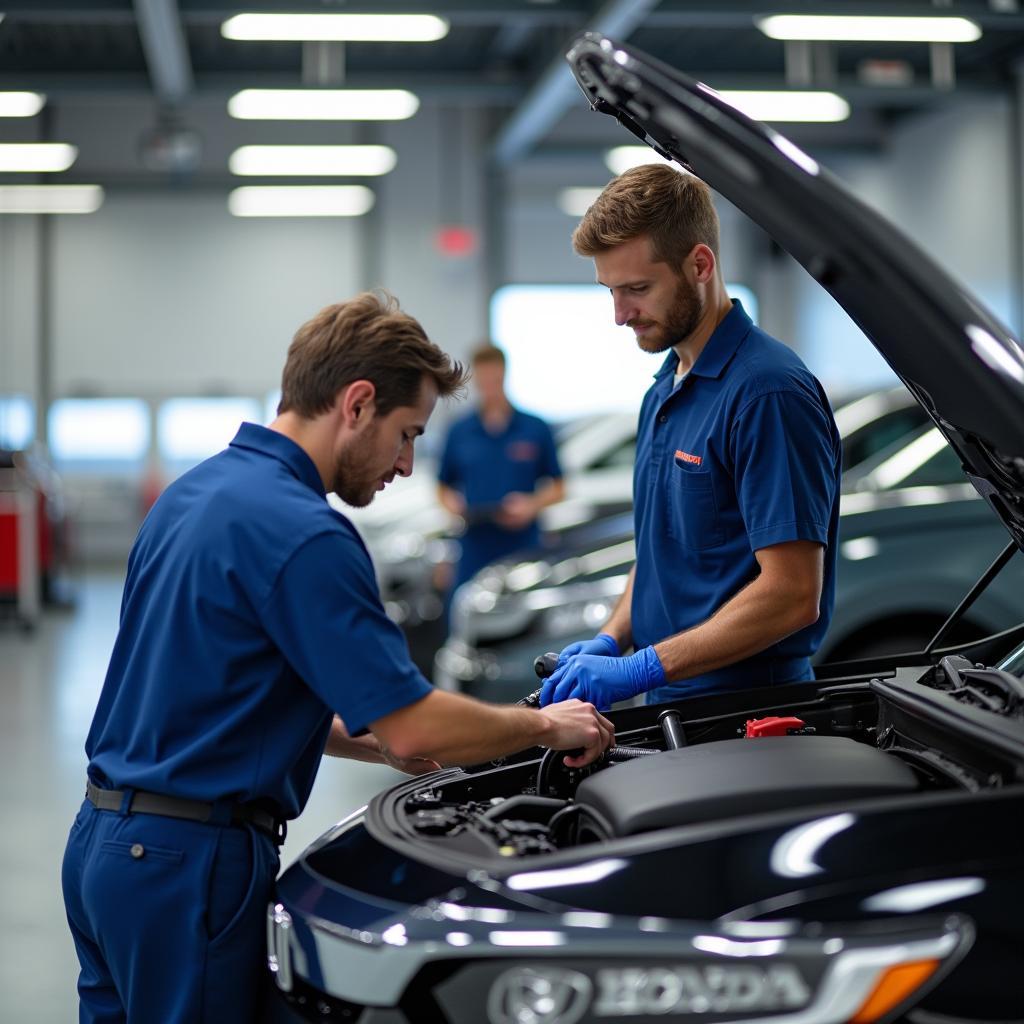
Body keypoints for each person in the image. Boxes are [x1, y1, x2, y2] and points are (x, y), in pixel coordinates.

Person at [62, 292, 614, 1024]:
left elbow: (219, 694)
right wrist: (545, 728)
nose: (409, 465)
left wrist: (381, 745)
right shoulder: (306, 533)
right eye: (406, 433)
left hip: (105, 849)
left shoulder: (192, 495)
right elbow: (416, 724)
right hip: (188, 865)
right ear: (357, 404)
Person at [541, 164, 842, 710]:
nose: (619, 315)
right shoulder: (664, 390)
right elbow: (662, 552)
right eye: (610, 290)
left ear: (699, 264)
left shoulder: (766, 392)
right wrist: (616, 637)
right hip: (669, 702)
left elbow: (794, 595)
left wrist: (644, 666)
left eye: (637, 289)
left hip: (745, 714)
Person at [437, 344, 565, 598]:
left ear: (504, 374)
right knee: (466, 605)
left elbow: (560, 486)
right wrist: (453, 506)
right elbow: (442, 485)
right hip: (475, 541)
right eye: (483, 380)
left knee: (525, 611)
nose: (489, 386)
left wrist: (532, 504)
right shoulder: (460, 431)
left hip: (523, 541)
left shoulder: (534, 428)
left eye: (494, 379)